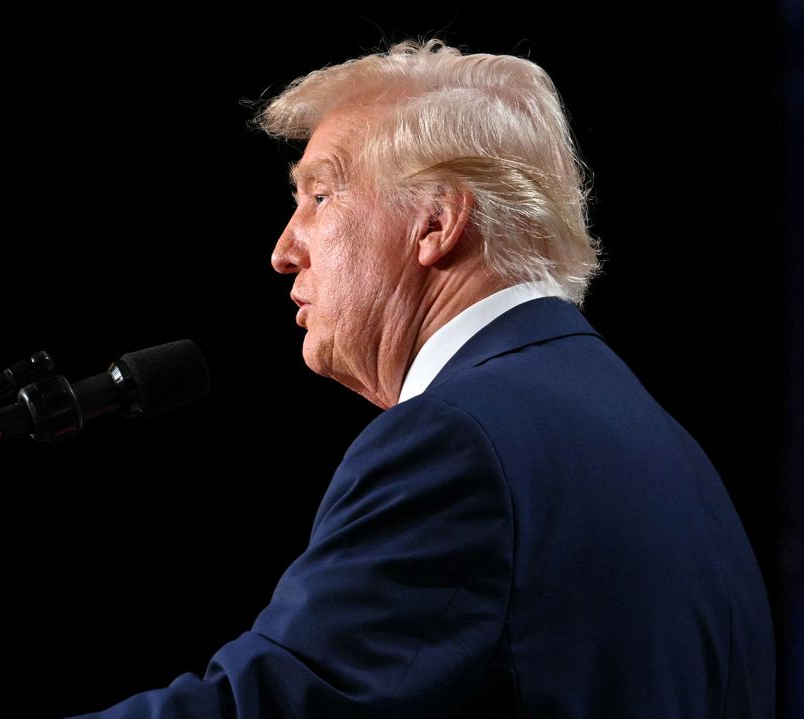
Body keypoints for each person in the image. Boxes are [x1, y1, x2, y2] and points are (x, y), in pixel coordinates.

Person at [69, 39, 775, 717]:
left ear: (435, 221)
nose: (284, 250)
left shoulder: (455, 441)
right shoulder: (678, 457)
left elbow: (278, 702)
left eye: (319, 196)